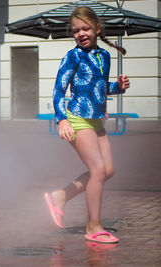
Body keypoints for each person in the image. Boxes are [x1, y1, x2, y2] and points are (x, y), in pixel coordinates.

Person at [44, 7, 130, 243]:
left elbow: (99, 87)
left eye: (85, 28)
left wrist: (118, 87)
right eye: (75, 31)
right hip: (76, 119)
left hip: (96, 122)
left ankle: (60, 196)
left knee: (107, 171)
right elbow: (59, 90)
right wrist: (61, 119)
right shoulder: (73, 56)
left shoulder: (105, 57)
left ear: (97, 29)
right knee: (98, 171)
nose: (80, 34)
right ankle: (93, 227)